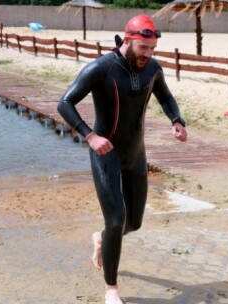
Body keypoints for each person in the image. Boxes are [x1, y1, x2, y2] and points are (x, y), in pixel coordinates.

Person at [57, 14, 187, 304]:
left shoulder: (152, 68)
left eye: (152, 49)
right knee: (116, 219)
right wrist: (89, 135)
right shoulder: (101, 69)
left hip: (136, 154)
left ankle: (102, 238)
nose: (148, 54)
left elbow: (165, 96)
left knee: (134, 223)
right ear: (127, 40)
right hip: (106, 155)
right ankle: (111, 290)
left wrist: (176, 120)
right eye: (143, 47)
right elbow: (65, 103)